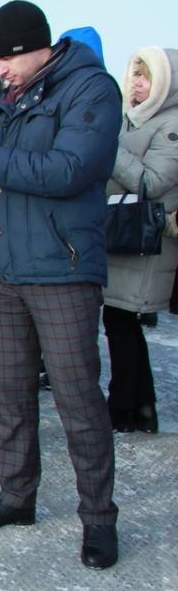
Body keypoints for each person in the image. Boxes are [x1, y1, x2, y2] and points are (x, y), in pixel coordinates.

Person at [0, 0, 122, 569]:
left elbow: (69, 170)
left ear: (38, 47)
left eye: (6, 61)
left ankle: (99, 518)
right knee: (9, 394)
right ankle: (16, 495)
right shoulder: (10, 101)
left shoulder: (90, 91)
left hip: (63, 270)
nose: (0, 72)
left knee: (79, 400)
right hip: (6, 269)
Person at [102, 47, 178, 434]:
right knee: (120, 321)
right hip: (125, 236)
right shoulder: (131, 120)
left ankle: (122, 407)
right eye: (134, 74)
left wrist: (108, 147)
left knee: (122, 321)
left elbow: (151, 182)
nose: (136, 83)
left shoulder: (171, 125)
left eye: (146, 76)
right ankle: (139, 408)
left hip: (147, 240)